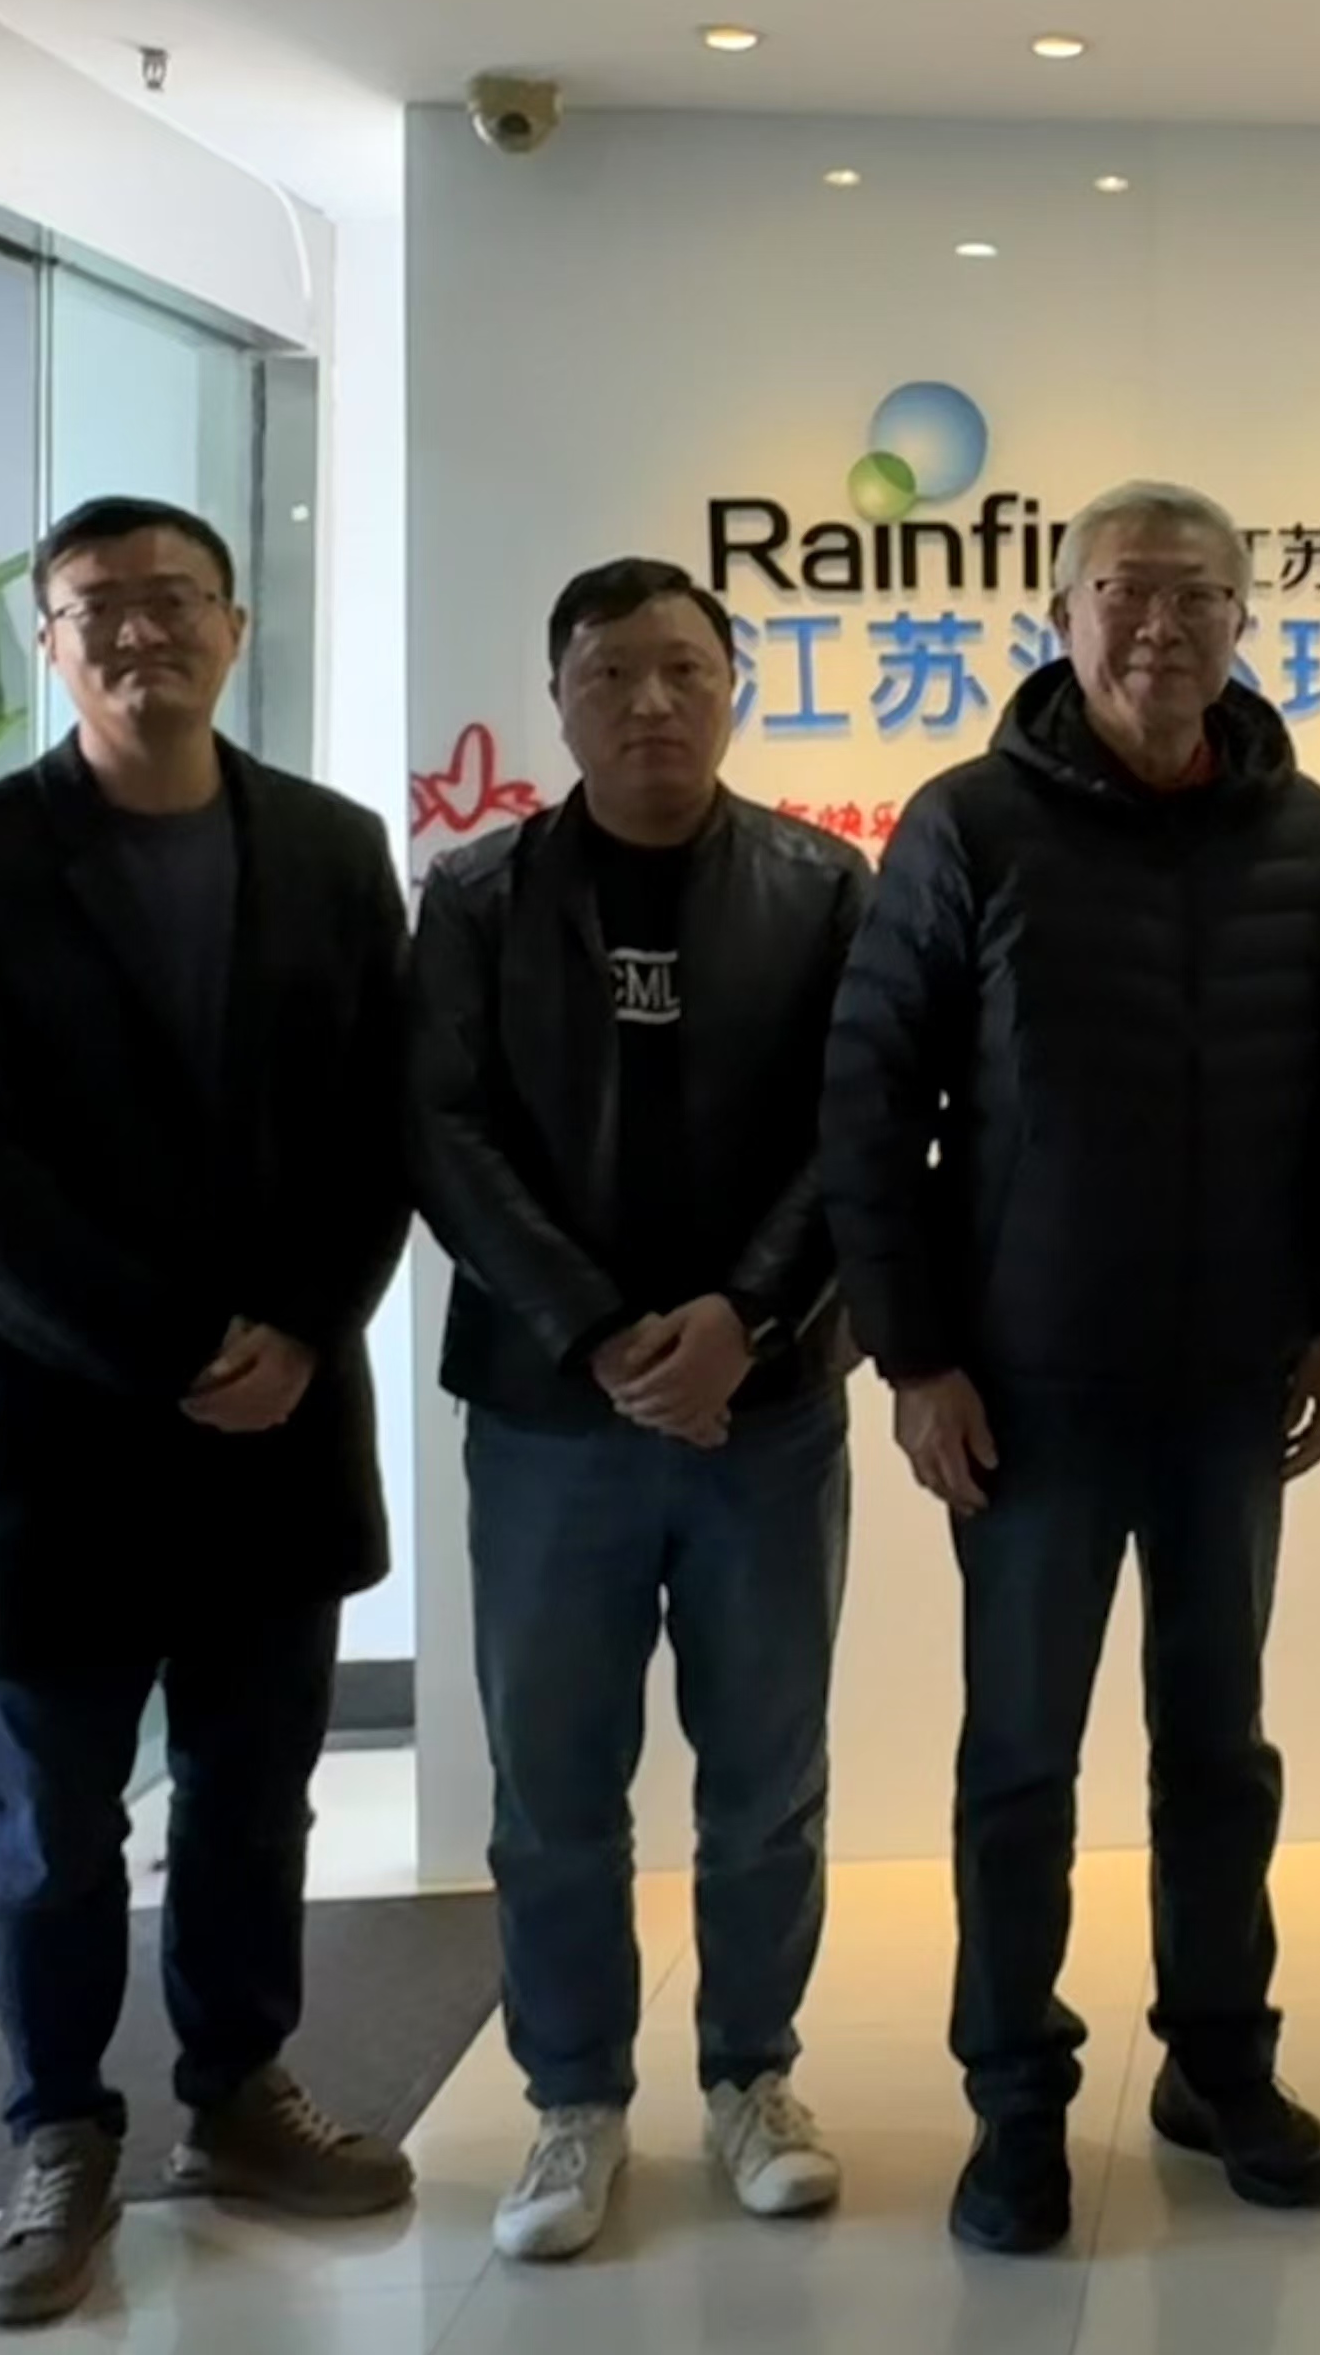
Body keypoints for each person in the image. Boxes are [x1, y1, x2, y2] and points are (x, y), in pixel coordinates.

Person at [0, 496, 415, 2331]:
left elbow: (382, 1124)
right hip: (58, 1440)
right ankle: (57, 2133)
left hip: (279, 1426)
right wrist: (173, 1344)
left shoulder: (332, 850)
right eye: (97, 606)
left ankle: (240, 2096)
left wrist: (306, 1325)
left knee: (256, 1804)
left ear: (234, 629)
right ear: (51, 643)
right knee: (52, 1831)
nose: (140, 631)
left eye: (175, 598)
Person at [820, 480, 1320, 2250]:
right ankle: (1015, 2101)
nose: (1160, 625)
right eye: (1125, 591)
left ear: (1243, 622)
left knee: (1220, 1751)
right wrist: (916, 1356)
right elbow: (870, 1097)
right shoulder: (968, 821)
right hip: (1028, 1391)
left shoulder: (1302, 830)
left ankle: (1218, 2061)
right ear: (1062, 619)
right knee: (1019, 1765)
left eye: (1197, 594)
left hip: (1229, 1389)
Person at [411, 558, 876, 2263]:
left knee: (765, 1776)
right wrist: (601, 1329)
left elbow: (860, 1123)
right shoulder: (477, 895)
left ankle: (754, 2076)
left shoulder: (823, 888)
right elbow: (443, 1131)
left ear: (738, 686)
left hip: (766, 1410)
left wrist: (743, 1318)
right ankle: (573, 2100)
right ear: (560, 699)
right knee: (553, 1784)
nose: (652, 703)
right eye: (611, 674)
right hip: (553, 1418)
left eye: (685, 668)